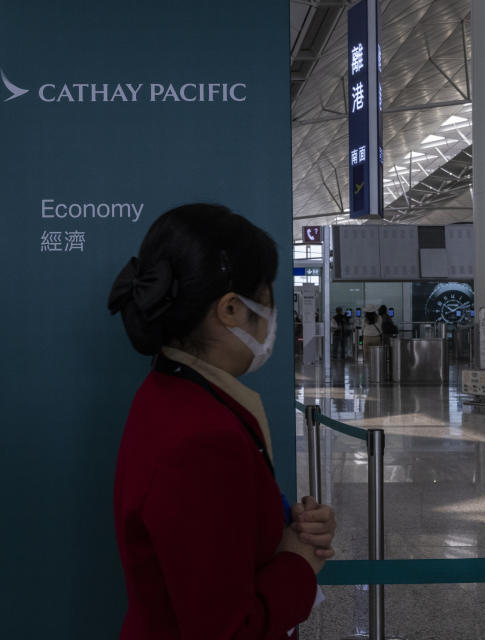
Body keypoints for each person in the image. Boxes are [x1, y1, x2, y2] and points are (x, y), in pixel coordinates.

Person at [108, 204, 336, 639]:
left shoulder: (170, 391)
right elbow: (230, 630)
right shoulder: (203, 439)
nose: (272, 320)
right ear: (231, 309)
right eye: (267, 300)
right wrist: (298, 562)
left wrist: (289, 528)